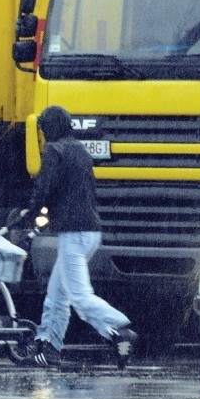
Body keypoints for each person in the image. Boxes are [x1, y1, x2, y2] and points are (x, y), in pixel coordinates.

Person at [24, 105, 137, 369]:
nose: (42, 134)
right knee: (57, 294)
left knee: (79, 296)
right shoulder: (80, 150)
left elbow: (44, 187)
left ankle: (121, 328)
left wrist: (30, 213)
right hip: (90, 231)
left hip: (74, 233)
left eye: (43, 129)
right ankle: (50, 346)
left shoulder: (55, 151)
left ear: (50, 128)